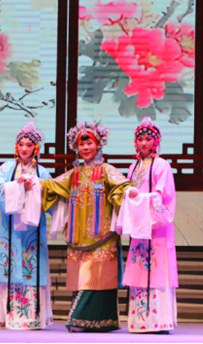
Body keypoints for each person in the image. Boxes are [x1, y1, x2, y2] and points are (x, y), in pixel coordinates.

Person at [23, 121, 136, 332]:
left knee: (97, 278)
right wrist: (34, 183)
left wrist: (128, 193)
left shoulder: (107, 171)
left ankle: (80, 320)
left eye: (89, 143)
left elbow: (122, 187)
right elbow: (51, 185)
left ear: (98, 145)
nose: (85, 148)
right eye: (81, 145)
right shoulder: (73, 174)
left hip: (102, 237)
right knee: (84, 279)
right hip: (78, 237)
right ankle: (100, 321)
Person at [0, 121, 54, 330]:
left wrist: (35, 188)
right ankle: (9, 317)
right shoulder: (6, 169)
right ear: (16, 146)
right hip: (10, 229)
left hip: (33, 230)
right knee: (11, 268)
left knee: (31, 267)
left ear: (36, 148)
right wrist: (17, 186)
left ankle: (34, 317)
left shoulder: (42, 173)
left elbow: (50, 198)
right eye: (21, 144)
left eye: (29, 145)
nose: (24, 148)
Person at [123, 117, 178, 333]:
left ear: (156, 141)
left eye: (148, 139)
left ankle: (159, 320)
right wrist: (131, 195)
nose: (144, 143)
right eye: (140, 139)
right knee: (139, 269)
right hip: (140, 226)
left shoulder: (162, 165)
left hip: (156, 228)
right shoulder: (133, 167)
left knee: (157, 267)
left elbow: (163, 194)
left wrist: (143, 199)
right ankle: (140, 320)